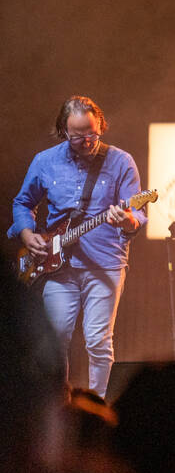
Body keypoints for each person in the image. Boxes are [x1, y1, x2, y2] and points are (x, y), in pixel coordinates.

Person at [9, 95, 147, 398]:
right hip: (58, 266)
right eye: (78, 136)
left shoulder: (121, 161)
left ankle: (96, 407)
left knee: (98, 340)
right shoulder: (45, 161)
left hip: (105, 263)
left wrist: (124, 219)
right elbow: (23, 203)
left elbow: (137, 216)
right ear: (63, 131)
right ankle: (58, 407)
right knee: (55, 340)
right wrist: (27, 234)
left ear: (100, 126)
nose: (87, 141)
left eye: (92, 134)